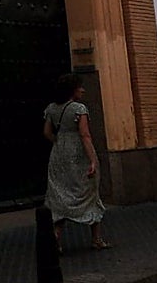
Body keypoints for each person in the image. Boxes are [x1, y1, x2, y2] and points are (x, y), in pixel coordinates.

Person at [43, 73, 109, 252]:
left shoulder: (51, 109)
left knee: (60, 195)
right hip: (78, 154)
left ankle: (56, 237)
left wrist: (59, 142)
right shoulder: (79, 109)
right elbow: (85, 135)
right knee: (89, 192)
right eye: (80, 87)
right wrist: (93, 160)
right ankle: (96, 239)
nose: (83, 89)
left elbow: (47, 133)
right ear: (72, 90)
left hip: (58, 154)